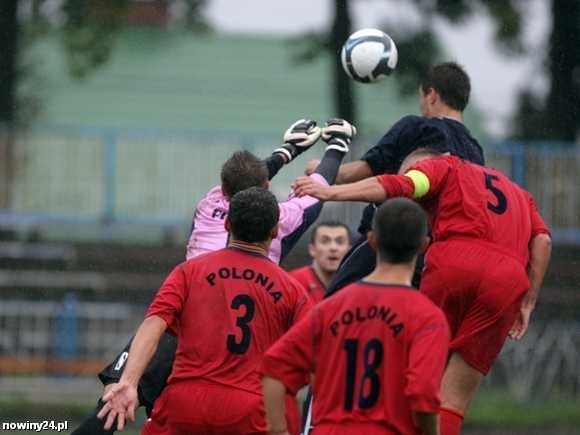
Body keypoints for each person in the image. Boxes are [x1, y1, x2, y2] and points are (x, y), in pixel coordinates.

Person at [71, 118, 356, 435]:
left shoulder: (208, 205)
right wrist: (337, 147)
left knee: (109, 412)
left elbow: (242, 182)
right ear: (274, 229)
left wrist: (286, 151)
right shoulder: (285, 238)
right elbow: (316, 194)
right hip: (233, 362)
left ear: (226, 222)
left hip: (177, 335)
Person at [294, 148, 552, 435]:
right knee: (454, 400)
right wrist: (527, 303)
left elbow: (402, 185)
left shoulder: (443, 167)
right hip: (509, 281)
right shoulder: (519, 192)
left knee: (414, 373)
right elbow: (542, 240)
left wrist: (329, 192)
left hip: (454, 262)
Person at [97, 187, 314, 434]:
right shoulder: (292, 290)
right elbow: (311, 353)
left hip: (186, 403)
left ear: (227, 224)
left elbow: (154, 324)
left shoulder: (189, 272)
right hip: (251, 408)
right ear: (275, 230)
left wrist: (128, 381)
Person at [261, 198, 450, 435]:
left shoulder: (330, 308)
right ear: (424, 245)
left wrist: (278, 431)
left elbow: (274, 367)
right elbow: (423, 394)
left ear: (371, 240)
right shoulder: (428, 318)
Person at [306, 62, 485, 297]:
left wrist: (324, 169)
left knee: (335, 306)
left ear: (431, 95)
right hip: (436, 253)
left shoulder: (417, 127)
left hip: (387, 242)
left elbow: (366, 169)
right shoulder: (475, 150)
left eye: (422, 96)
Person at [289, 221, 351, 303]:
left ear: (349, 250)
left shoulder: (356, 286)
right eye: (325, 241)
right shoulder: (293, 283)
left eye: (339, 242)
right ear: (312, 249)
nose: (333, 248)